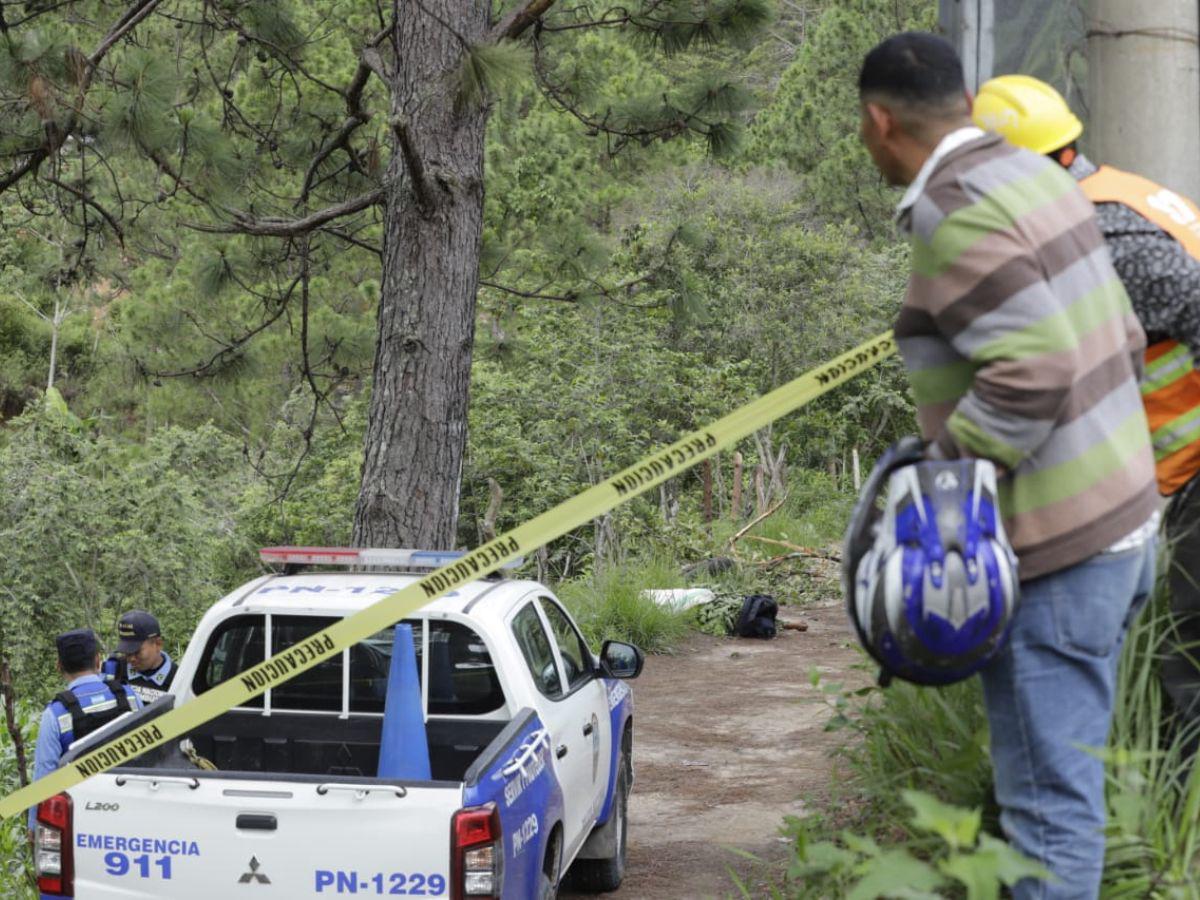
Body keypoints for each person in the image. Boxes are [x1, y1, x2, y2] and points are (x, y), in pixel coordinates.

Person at [858, 32, 1159, 898]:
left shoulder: (953, 206)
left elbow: (1032, 368)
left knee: (1047, 819)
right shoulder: (1035, 172)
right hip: (1125, 520)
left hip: (1059, 559)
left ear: (880, 122)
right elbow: (1122, 337)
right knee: (1064, 795)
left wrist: (945, 474)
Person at [972, 74, 1200, 742]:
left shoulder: (1110, 236)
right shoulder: (1115, 197)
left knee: (1190, 660)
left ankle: (1183, 834)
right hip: (1183, 470)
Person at [29, 629, 142, 832]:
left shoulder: (55, 713)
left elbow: (45, 777)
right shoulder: (129, 696)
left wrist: (33, 826)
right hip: (131, 809)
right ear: (98, 660)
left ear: (59, 666)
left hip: (83, 819)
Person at [102, 610, 175, 704]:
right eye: (127, 652)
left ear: (158, 644)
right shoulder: (115, 670)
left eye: (137, 652)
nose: (131, 659)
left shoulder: (178, 678)